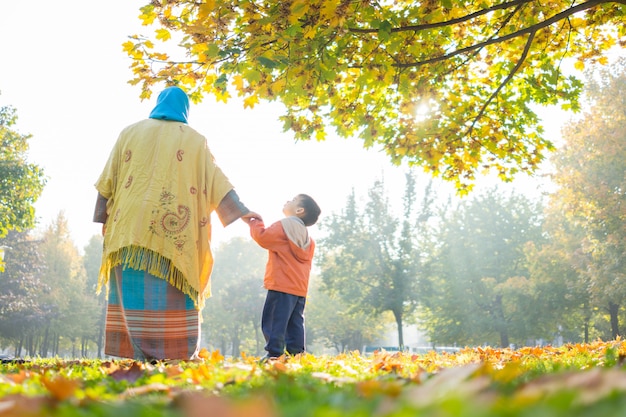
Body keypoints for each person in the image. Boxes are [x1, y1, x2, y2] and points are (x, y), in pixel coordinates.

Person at [93, 86, 259, 361]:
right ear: (185, 109)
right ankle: (176, 352)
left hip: (129, 226)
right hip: (175, 234)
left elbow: (107, 178)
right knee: (174, 287)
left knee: (133, 287)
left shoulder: (129, 132)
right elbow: (216, 179)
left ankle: (138, 352)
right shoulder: (194, 140)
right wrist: (242, 212)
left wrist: (103, 217)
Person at [246, 194, 321, 360]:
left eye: (293, 200)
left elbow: (263, 238)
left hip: (281, 284)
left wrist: (254, 222)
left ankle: (274, 354)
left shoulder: (285, 226)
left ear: (299, 210)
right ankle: (297, 355)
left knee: (274, 321)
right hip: (299, 288)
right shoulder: (308, 239)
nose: (288, 200)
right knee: (295, 323)